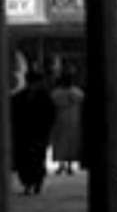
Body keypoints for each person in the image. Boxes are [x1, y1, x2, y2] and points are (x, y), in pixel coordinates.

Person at [11, 67, 55, 196]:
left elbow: (50, 115)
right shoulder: (20, 98)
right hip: (25, 133)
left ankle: (35, 182)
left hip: (38, 132)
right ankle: (29, 183)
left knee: (36, 158)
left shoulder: (43, 97)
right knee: (26, 159)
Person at [49, 69, 84, 176]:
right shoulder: (75, 92)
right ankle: (64, 165)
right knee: (66, 143)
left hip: (65, 119)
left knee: (65, 143)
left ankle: (65, 165)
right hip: (68, 119)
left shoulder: (57, 93)